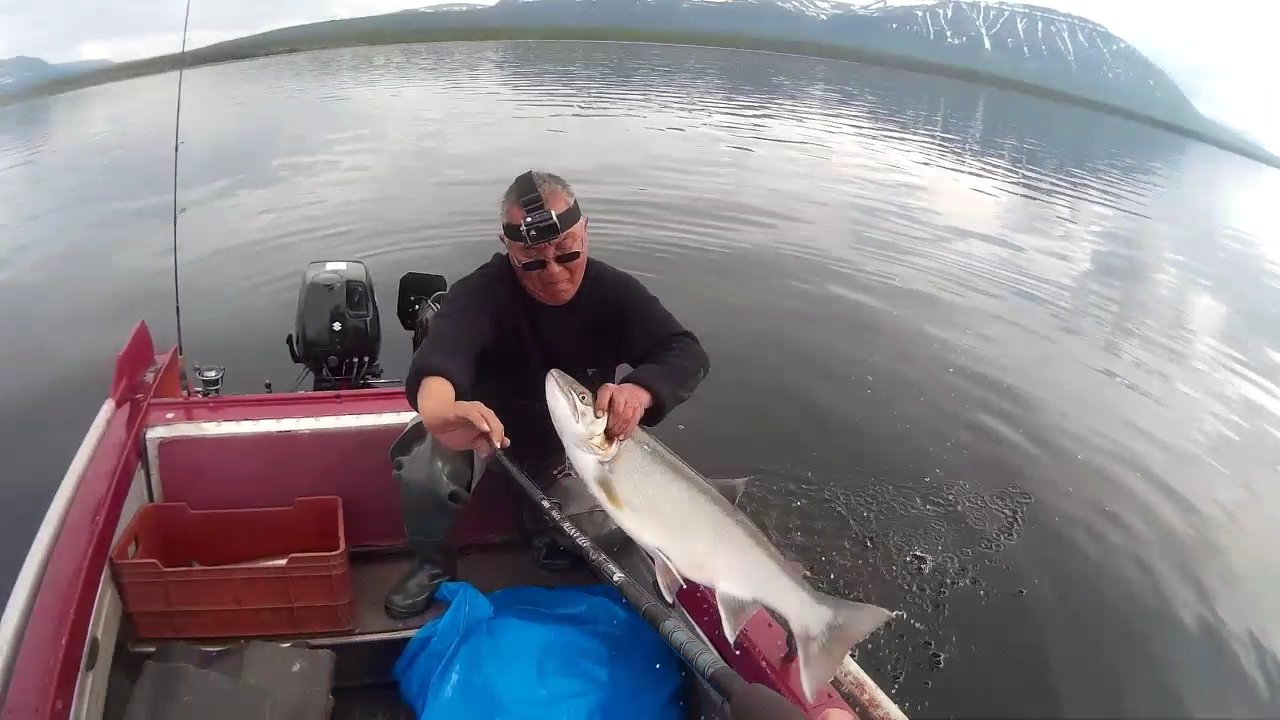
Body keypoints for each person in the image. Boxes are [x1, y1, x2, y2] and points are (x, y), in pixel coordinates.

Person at [385, 170, 711, 619]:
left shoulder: (612, 293)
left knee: (604, 526)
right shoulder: (481, 294)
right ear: (507, 247)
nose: (554, 272)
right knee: (425, 470)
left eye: (567, 252)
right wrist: (440, 412)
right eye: (532, 261)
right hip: (485, 434)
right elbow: (442, 354)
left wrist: (641, 390)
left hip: (571, 447)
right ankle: (431, 565)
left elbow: (684, 351)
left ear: (584, 231)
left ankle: (542, 525)